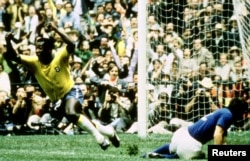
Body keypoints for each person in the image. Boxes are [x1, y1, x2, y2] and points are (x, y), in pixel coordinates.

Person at [4, 21, 120, 150]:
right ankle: (109, 132)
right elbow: (13, 56)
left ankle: (100, 139)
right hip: (57, 101)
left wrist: (55, 28)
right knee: (81, 119)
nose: (37, 50)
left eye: (41, 48)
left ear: (49, 49)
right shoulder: (33, 62)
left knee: (71, 113)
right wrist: (8, 41)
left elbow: (71, 44)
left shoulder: (59, 57)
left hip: (71, 91)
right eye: (36, 47)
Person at [143, 97, 248, 159]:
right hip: (191, 143)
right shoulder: (228, 115)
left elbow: (223, 139)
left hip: (182, 134)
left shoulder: (223, 111)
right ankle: (163, 157)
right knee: (196, 155)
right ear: (239, 111)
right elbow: (217, 134)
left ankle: (151, 153)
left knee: (171, 147)